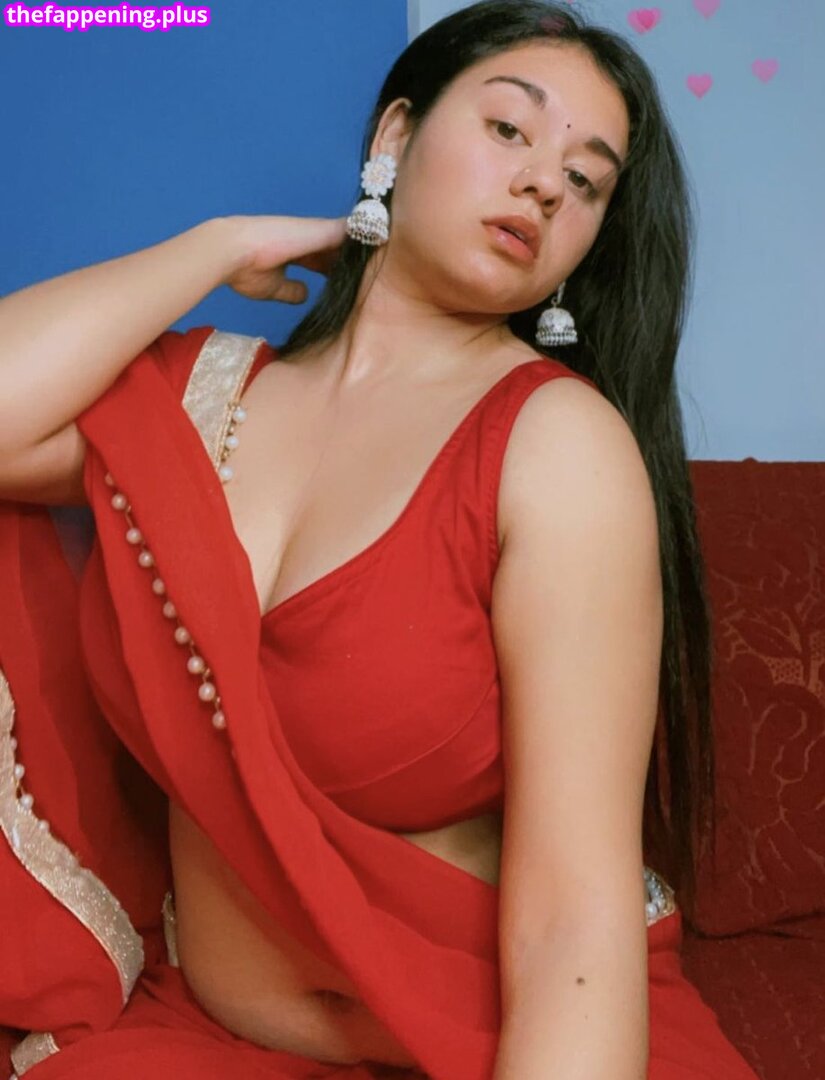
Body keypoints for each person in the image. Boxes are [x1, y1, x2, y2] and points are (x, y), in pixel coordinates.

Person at [0, 2, 761, 1077]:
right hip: (208, 1037)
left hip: (489, 1046)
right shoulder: (208, 400)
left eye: (585, 181)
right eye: (509, 129)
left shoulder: (555, 448)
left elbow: (572, 910)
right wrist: (216, 245)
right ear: (395, 137)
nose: (544, 184)